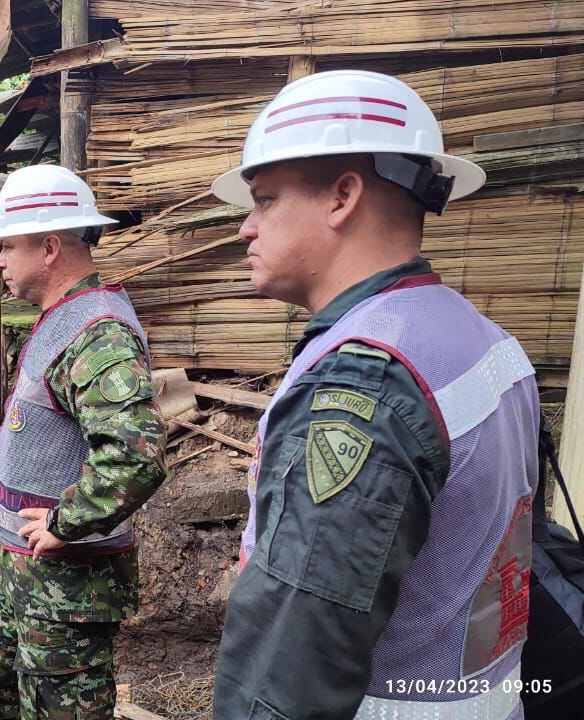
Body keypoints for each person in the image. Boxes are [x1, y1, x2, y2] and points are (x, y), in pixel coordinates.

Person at [210, 70, 540, 719]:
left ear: (342, 196)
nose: (246, 228)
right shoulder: (483, 340)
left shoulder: (363, 387)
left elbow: (288, 672)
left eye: (265, 200)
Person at [0, 164, 167, 720]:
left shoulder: (98, 333)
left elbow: (135, 455)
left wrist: (65, 523)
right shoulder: (62, 319)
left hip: (65, 591)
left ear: (50, 248)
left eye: (8, 247)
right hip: (25, 576)